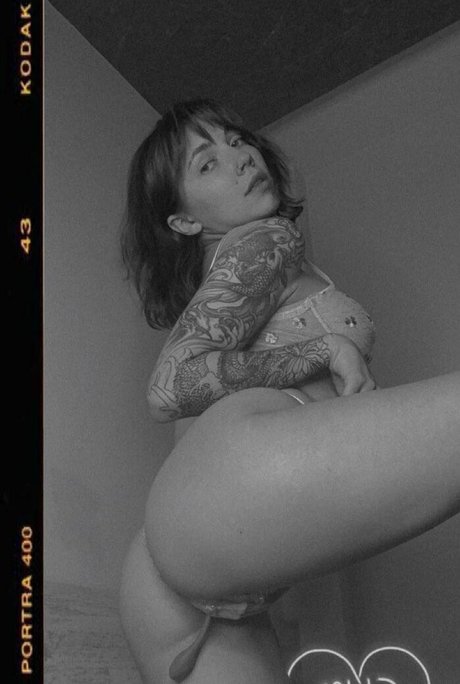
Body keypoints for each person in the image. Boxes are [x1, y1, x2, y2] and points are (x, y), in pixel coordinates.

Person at [119, 99, 460, 683]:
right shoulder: (265, 242)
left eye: (235, 140)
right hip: (210, 515)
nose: (241, 157)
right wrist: (323, 350)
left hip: (167, 576)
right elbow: (170, 385)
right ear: (183, 221)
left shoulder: (245, 259)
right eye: (207, 163)